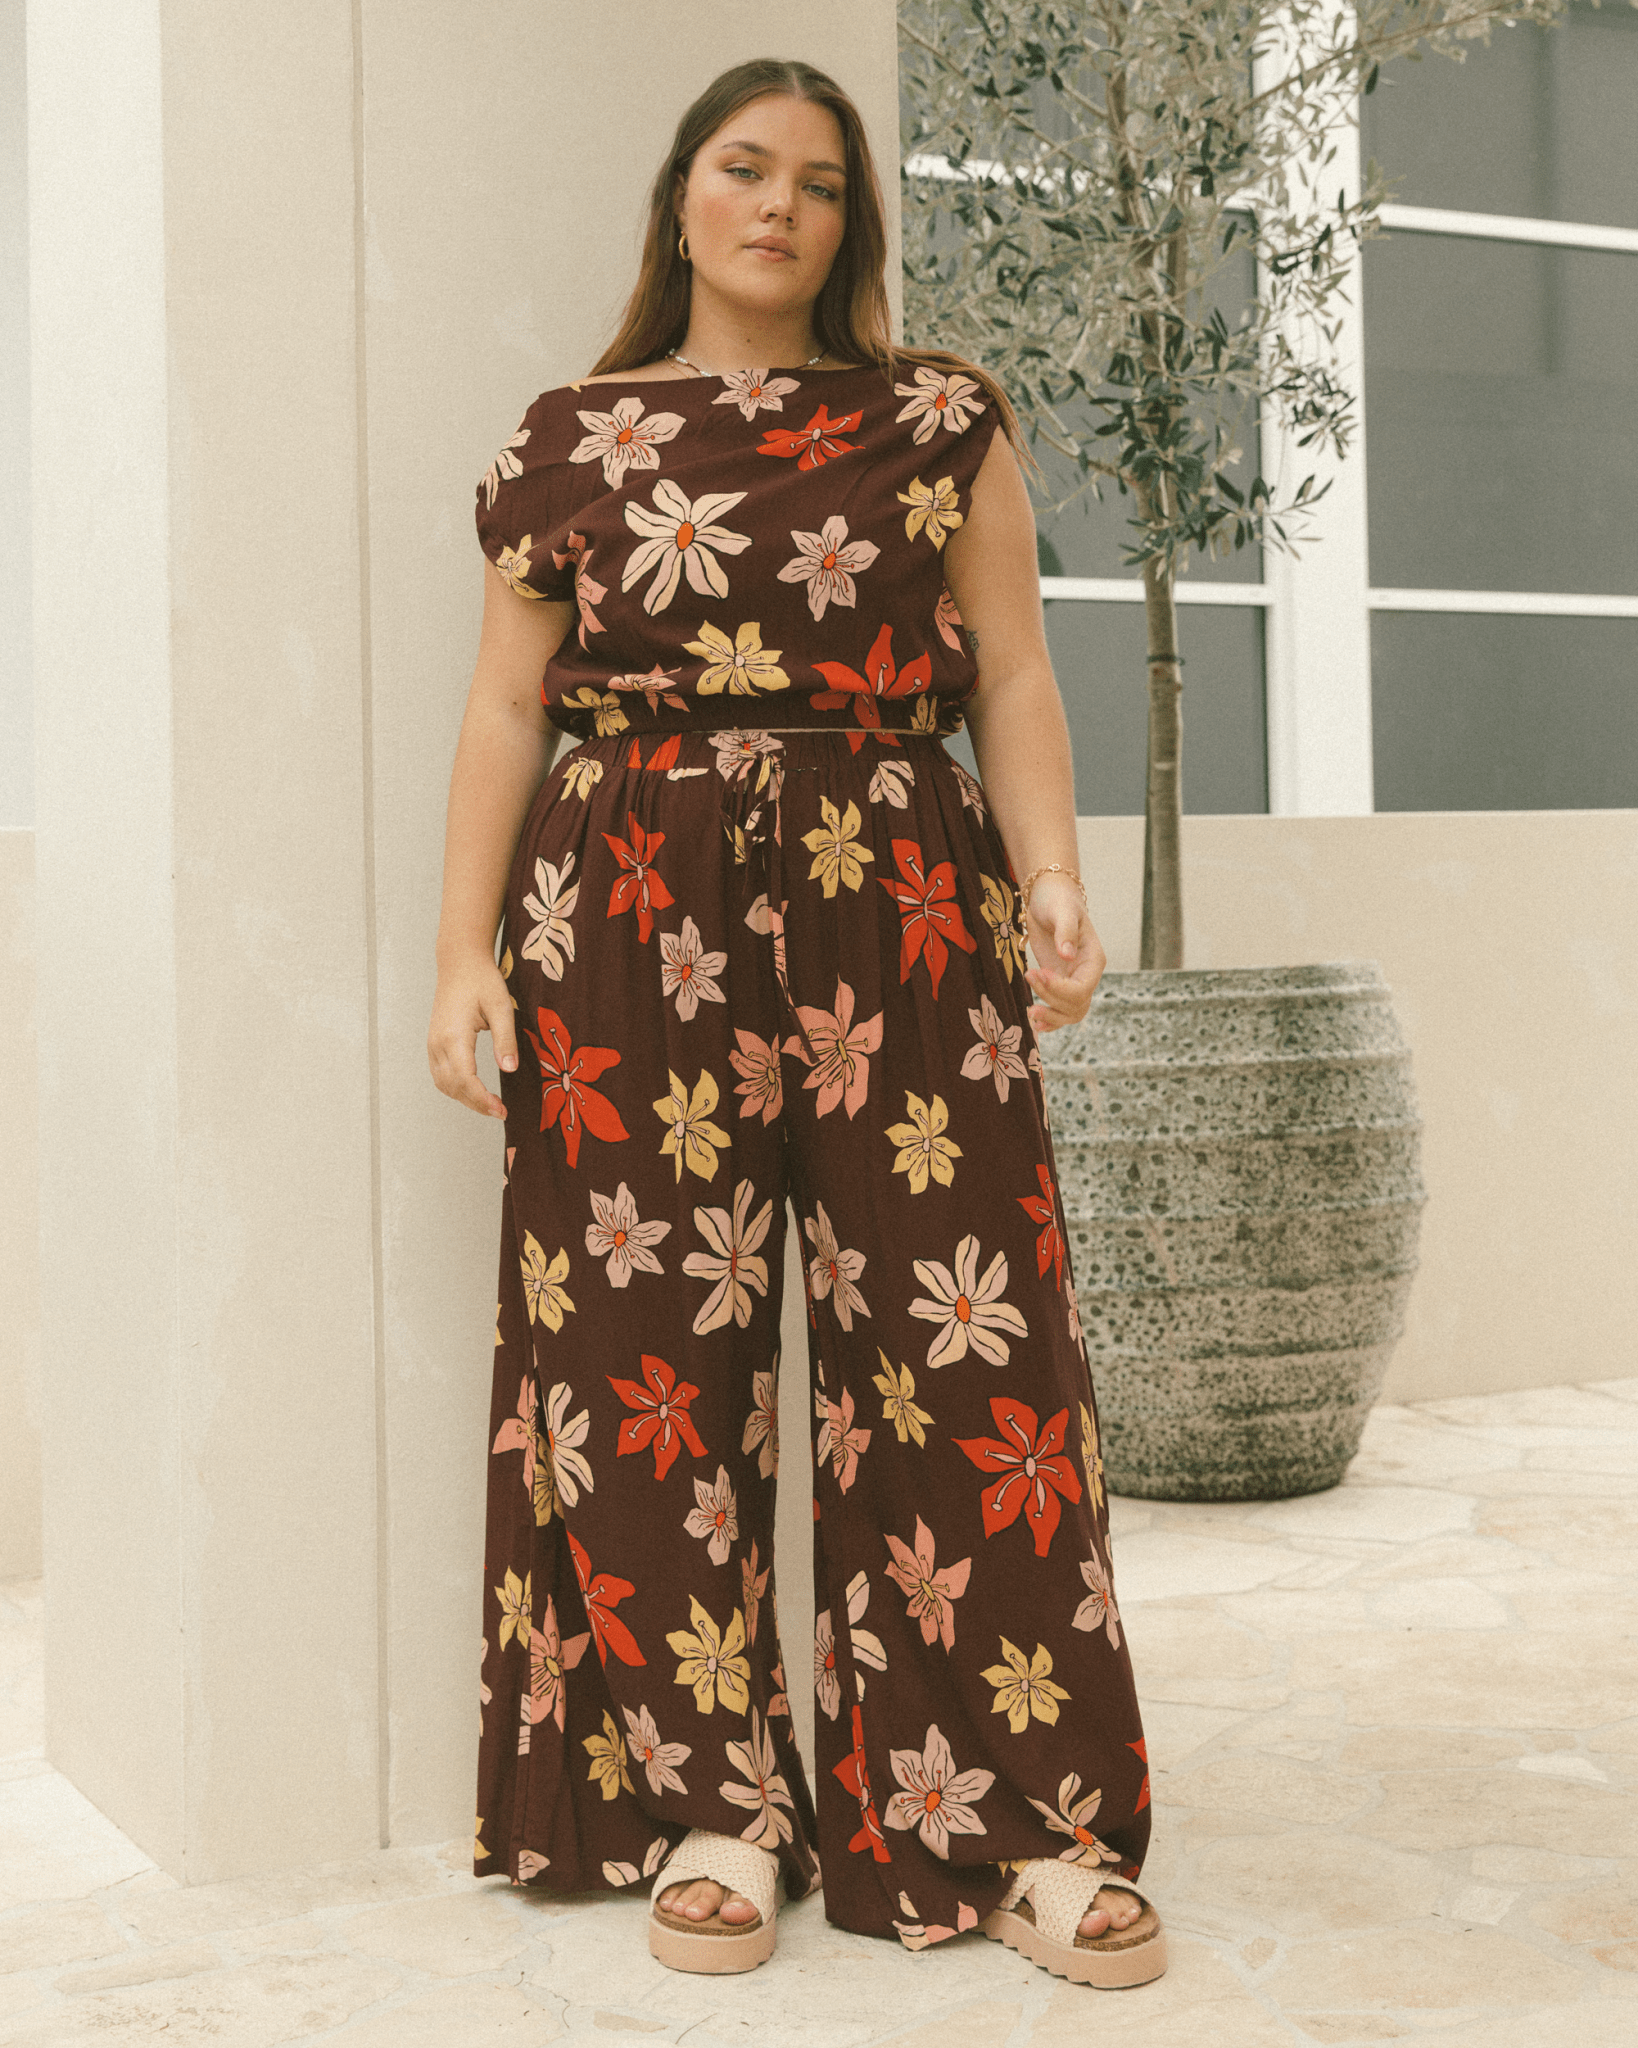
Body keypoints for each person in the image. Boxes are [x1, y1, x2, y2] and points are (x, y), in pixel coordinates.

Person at [428, 56, 1164, 1991]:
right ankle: (712, 1806)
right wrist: (459, 954)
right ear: (681, 196)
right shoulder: (570, 439)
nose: (780, 207)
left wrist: (1054, 875)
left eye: (821, 184)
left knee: (958, 1343)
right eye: (745, 169)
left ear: (851, 224)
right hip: (622, 906)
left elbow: (1011, 672)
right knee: (640, 1360)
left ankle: (1011, 1817)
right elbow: (504, 706)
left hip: (898, 895)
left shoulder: (936, 419)